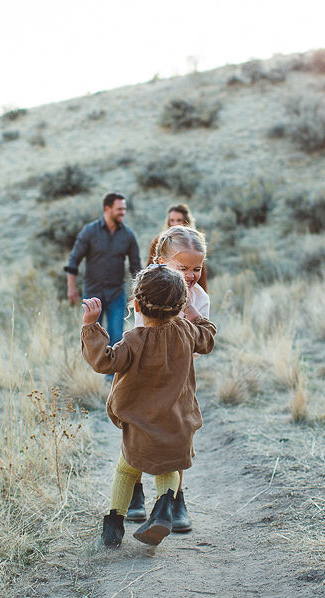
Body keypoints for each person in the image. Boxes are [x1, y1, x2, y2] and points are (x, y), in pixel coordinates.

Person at [81, 265, 217, 547]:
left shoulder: (134, 340)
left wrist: (91, 326)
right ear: (180, 306)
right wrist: (193, 313)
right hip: (177, 425)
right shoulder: (187, 332)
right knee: (168, 469)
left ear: (138, 305)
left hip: (140, 428)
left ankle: (113, 525)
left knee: (126, 470)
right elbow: (207, 339)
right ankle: (164, 509)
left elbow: (103, 361)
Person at [127, 225, 209, 533]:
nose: (190, 275)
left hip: (177, 381)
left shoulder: (199, 299)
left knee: (177, 435)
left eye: (196, 268)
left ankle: (175, 499)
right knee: (135, 432)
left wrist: (188, 313)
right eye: (182, 268)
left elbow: (199, 348)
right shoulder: (146, 290)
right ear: (162, 262)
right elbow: (139, 335)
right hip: (143, 376)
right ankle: (134, 492)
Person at [65, 192, 142, 348]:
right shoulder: (90, 231)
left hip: (116, 294)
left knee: (116, 337)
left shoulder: (128, 235)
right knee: (92, 336)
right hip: (93, 294)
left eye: (124, 208)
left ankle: (112, 373)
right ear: (107, 209)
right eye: (119, 209)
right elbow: (74, 259)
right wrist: (71, 287)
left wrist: (137, 292)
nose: (123, 212)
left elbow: (136, 266)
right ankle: (94, 370)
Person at [147, 203, 207, 292]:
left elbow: (200, 269)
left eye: (179, 220)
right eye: (172, 220)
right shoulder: (160, 240)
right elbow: (150, 265)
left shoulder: (193, 241)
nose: (175, 223)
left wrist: (204, 293)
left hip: (189, 289)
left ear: (186, 220)